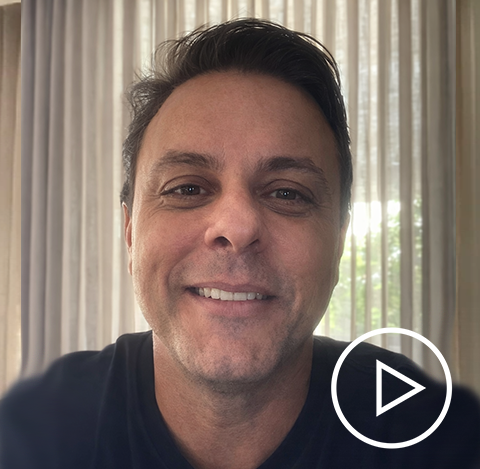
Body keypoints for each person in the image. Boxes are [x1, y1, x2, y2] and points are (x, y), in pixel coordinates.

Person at [1, 18, 479, 469]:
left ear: (338, 242)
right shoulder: (34, 432)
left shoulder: (432, 431)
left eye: (288, 193)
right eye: (188, 188)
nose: (237, 225)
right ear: (130, 232)